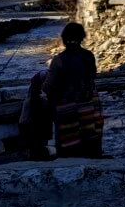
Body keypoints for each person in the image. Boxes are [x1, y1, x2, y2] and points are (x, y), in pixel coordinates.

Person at [43, 22, 103, 158]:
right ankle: (93, 154)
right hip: (89, 104)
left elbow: (48, 86)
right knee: (91, 133)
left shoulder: (58, 60)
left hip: (67, 106)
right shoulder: (89, 55)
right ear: (82, 38)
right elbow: (92, 75)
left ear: (64, 39)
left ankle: (67, 157)